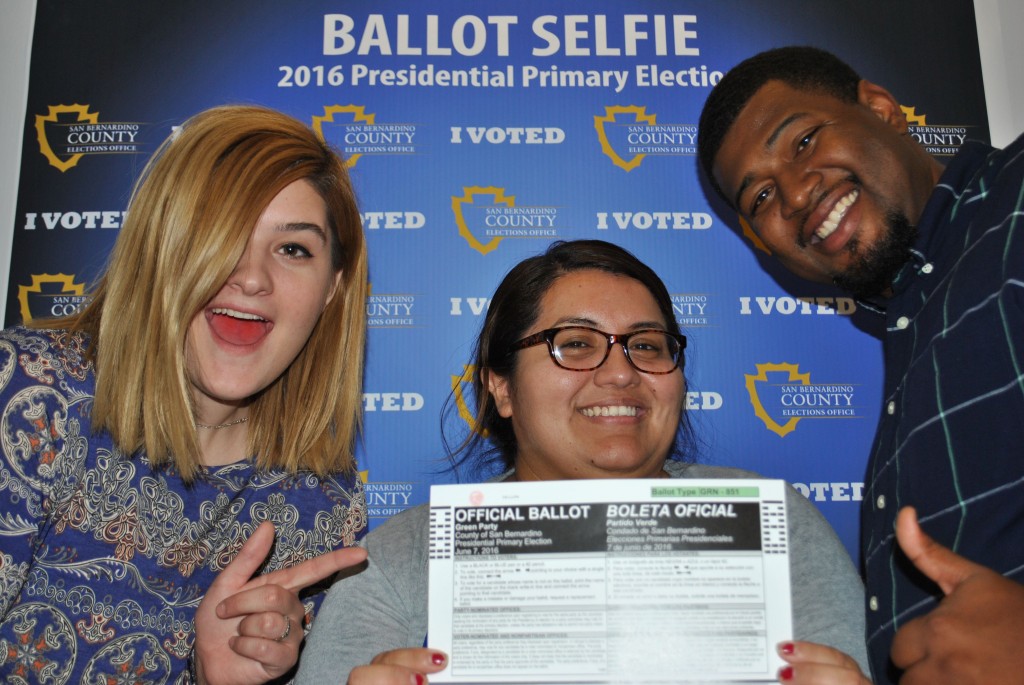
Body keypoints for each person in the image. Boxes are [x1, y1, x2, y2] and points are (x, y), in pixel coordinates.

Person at [295, 239, 869, 684]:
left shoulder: (776, 529)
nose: (621, 372)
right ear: (502, 388)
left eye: (646, 344)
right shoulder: (395, 565)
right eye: (574, 343)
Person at [0, 104, 370, 684]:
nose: (252, 277)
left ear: (332, 291)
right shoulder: (28, 395)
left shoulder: (324, 509)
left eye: (293, 248)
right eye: (219, 233)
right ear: (159, 246)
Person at [698, 46, 1024, 684]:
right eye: (761, 195)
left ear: (882, 109)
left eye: (803, 141)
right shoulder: (912, 328)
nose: (793, 195)